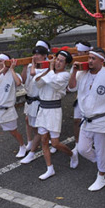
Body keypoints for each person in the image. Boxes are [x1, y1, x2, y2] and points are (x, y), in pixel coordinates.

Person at [68, 47, 105, 191]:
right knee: (83, 149)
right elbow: (71, 87)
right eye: (89, 58)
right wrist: (73, 71)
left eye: (93, 58)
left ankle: (101, 176)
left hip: (102, 119)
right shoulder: (82, 74)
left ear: (102, 61)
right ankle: (102, 163)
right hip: (86, 118)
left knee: (102, 149)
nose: (89, 61)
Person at [34, 50, 78, 180]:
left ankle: (71, 154)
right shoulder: (49, 71)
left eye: (61, 61)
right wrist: (48, 70)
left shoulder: (65, 75)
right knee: (43, 140)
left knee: (55, 143)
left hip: (54, 110)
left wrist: (50, 69)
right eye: (57, 59)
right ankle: (49, 168)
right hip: (42, 108)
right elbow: (38, 83)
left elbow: (54, 83)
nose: (58, 62)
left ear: (66, 64)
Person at [19, 45, 49, 163]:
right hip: (30, 100)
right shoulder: (31, 66)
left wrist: (32, 65)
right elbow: (23, 80)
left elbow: (33, 74)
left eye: (38, 55)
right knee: (32, 125)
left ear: (44, 56)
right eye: (34, 54)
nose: (35, 57)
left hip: (39, 101)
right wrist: (25, 65)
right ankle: (36, 145)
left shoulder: (46, 67)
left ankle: (32, 152)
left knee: (38, 127)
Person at [71, 40, 92, 157]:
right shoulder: (76, 63)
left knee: (91, 121)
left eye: (80, 52)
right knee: (76, 120)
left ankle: (90, 142)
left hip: (92, 99)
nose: (78, 54)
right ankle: (77, 143)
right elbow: (72, 85)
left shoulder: (93, 61)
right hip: (80, 97)